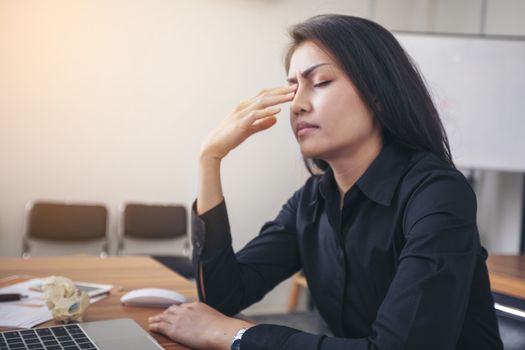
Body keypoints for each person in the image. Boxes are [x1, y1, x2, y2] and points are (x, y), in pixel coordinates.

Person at [148, 14, 503, 350]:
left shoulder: (437, 193)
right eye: (292, 89)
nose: (298, 104)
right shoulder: (313, 200)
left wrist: (238, 336)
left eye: (320, 82)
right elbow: (223, 297)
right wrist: (210, 160)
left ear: (378, 94)